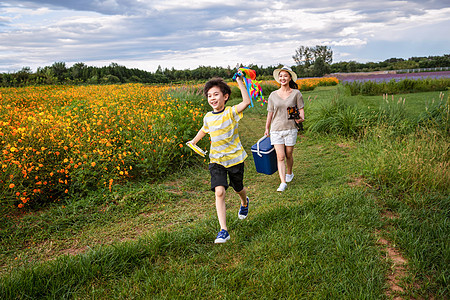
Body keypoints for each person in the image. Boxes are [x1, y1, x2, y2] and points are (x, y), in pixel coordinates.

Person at [189, 75, 251, 243]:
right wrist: (194, 141)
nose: (212, 98)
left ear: (225, 97)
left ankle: (244, 202)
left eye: (216, 94)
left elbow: (246, 102)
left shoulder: (231, 112)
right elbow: (204, 129)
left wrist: (240, 83)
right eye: (209, 95)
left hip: (235, 159)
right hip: (216, 160)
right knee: (219, 191)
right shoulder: (208, 116)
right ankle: (223, 230)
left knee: (238, 188)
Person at [264, 66, 304, 192]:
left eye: (285, 76)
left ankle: (289, 172)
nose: (283, 78)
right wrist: (267, 128)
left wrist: (300, 118)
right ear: (278, 78)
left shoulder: (296, 94)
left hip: (291, 128)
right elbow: (270, 113)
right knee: (280, 156)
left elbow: (301, 111)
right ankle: (283, 182)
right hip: (276, 129)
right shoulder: (273, 95)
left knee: (288, 154)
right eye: (280, 76)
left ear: (290, 78)